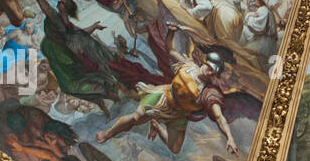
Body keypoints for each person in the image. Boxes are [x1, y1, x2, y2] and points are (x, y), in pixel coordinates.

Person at [96, 48, 241, 155]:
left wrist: (230, 138)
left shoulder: (208, 92)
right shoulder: (188, 65)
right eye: (208, 67)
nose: (208, 71)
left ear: (214, 75)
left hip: (178, 114)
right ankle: (109, 133)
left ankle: (157, 126)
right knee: (136, 118)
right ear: (204, 63)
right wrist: (171, 32)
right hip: (163, 96)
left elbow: (219, 116)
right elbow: (170, 48)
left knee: (175, 149)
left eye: (212, 72)